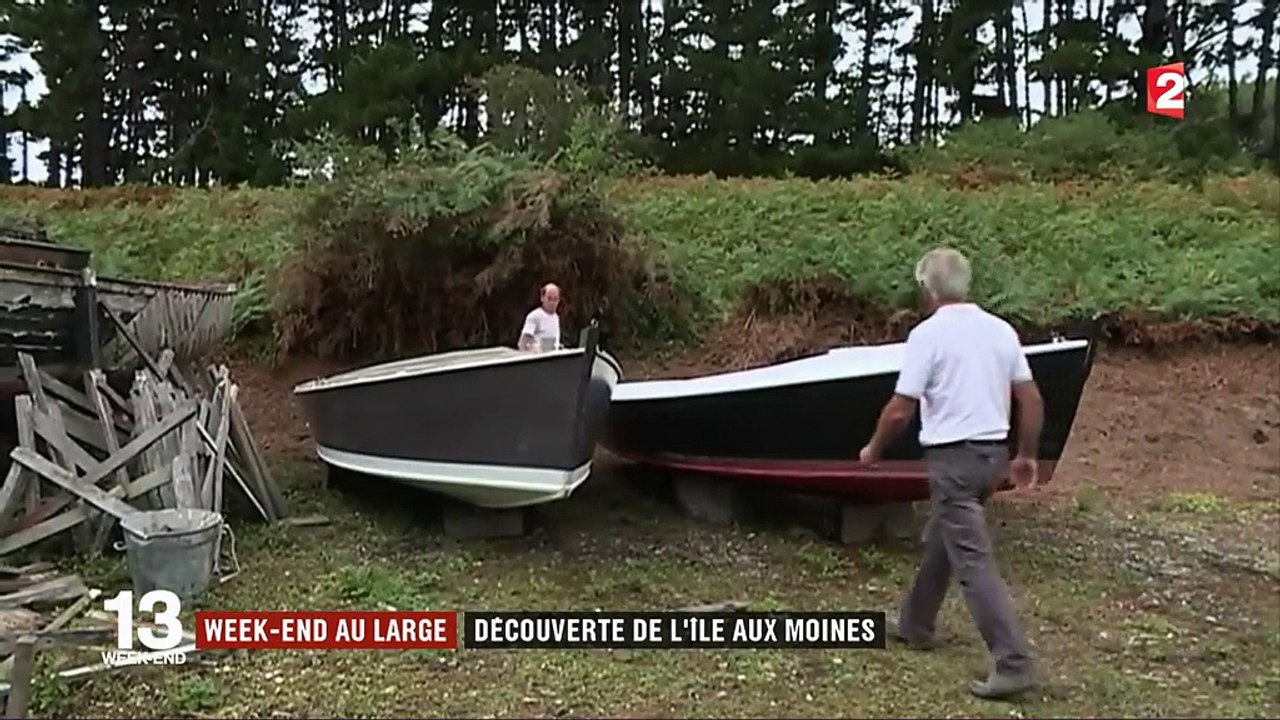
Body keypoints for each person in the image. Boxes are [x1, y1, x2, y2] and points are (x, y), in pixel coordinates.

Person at [858, 247, 1044, 700]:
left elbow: (901, 408)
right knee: (944, 537)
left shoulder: (928, 335)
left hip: (953, 461)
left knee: (972, 562)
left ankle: (1013, 662)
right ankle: (915, 623)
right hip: (991, 457)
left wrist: (874, 448)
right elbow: (1031, 398)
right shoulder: (1000, 330)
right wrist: (1026, 454)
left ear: (927, 288)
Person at [518, 283, 562, 352]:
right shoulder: (535, 316)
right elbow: (523, 341)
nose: (552, 303)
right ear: (542, 298)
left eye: (555, 299)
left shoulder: (556, 317)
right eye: (549, 299)